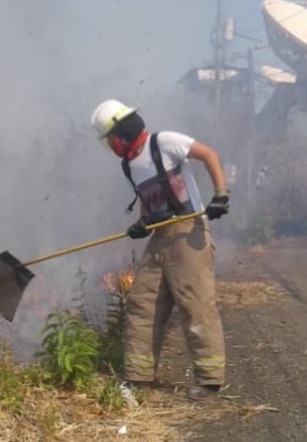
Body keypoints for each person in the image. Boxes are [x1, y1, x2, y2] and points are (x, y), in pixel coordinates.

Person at [90, 99, 229, 401]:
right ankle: (139, 376)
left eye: (110, 139)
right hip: (160, 235)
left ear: (122, 132)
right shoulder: (129, 164)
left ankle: (209, 381)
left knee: (195, 303)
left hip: (188, 232)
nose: (111, 146)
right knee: (143, 302)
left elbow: (209, 154)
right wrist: (142, 224)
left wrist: (221, 195)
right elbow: (148, 197)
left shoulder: (164, 142)